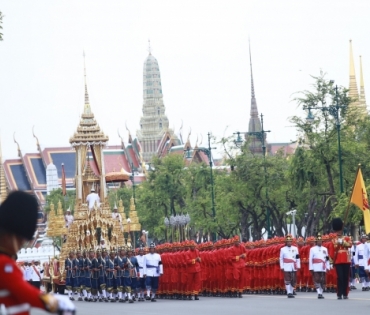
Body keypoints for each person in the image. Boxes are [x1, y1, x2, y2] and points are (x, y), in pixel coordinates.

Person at [0, 190, 75, 315]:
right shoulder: (4, 264)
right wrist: (54, 303)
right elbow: (24, 292)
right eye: (20, 239)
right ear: (9, 236)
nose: (21, 243)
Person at [327, 218, 352, 300]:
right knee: (339, 277)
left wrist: (343, 242)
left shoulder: (347, 238)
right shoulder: (333, 239)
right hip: (337, 260)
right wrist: (331, 262)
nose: (339, 232)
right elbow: (332, 250)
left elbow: (350, 245)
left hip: (346, 259)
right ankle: (339, 293)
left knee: (345, 277)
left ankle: (345, 293)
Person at [309, 233, 330, 299]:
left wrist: (328, 266)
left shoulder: (325, 249)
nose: (319, 242)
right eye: (318, 241)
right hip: (316, 266)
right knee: (317, 279)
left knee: (323, 280)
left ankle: (321, 292)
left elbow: (327, 258)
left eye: (320, 241)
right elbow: (310, 259)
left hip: (323, 266)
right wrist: (311, 267)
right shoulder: (312, 249)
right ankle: (318, 292)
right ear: (316, 241)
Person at [279, 234, 300, 298]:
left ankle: (291, 291)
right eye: (288, 241)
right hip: (286, 266)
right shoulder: (282, 249)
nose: (289, 242)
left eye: (290, 241)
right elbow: (281, 258)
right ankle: (289, 292)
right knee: (287, 279)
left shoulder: (295, 248)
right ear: (286, 242)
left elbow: (297, 257)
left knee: (293, 279)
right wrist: (282, 266)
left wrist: (298, 265)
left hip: (293, 266)